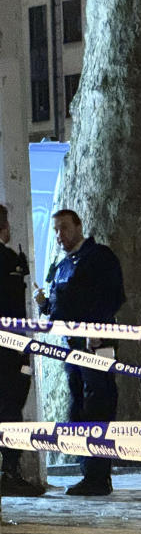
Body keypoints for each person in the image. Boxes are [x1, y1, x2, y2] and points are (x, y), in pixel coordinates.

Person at [34, 209, 125, 496]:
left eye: (64, 228)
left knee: (98, 405)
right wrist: (44, 304)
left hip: (97, 346)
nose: (60, 235)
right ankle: (90, 474)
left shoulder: (100, 257)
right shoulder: (63, 265)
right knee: (79, 410)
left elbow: (113, 297)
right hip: (72, 348)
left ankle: (99, 477)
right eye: (56, 230)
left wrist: (96, 330)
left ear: (78, 226)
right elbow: (61, 308)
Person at [0, 205, 45, 496]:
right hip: (7, 348)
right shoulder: (8, 259)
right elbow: (15, 309)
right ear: (4, 227)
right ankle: (9, 472)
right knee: (11, 406)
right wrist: (22, 348)